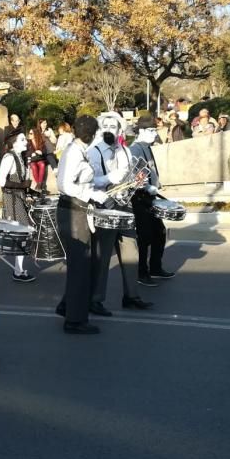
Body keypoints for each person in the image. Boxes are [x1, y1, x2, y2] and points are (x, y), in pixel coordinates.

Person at [88, 118, 152, 313]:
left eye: (113, 127)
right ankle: (95, 300)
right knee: (103, 255)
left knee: (131, 251)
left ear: (119, 131)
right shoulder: (94, 151)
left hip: (125, 206)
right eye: (105, 126)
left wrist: (139, 181)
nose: (109, 130)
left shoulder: (124, 151)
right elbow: (88, 180)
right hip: (104, 206)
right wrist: (108, 179)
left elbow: (130, 175)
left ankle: (131, 296)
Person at [55, 116, 109, 334]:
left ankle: (68, 306)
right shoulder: (73, 152)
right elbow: (64, 184)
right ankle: (74, 321)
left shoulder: (79, 150)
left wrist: (106, 181)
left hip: (79, 208)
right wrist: (90, 193)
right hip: (72, 209)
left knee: (87, 261)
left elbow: (84, 179)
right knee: (80, 265)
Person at [128, 116, 174, 285]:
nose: (154, 133)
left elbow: (149, 170)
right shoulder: (135, 149)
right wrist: (147, 187)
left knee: (159, 233)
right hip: (140, 198)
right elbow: (135, 176)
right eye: (151, 130)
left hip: (150, 196)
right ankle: (141, 273)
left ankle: (155, 267)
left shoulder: (146, 147)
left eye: (155, 130)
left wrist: (155, 183)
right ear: (140, 131)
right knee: (145, 236)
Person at [0, 126, 35, 283]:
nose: (26, 141)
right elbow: (0, 181)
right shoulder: (9, 157)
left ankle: (19, 270)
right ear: (14, 143)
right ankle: (18, 271)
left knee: (21, 234)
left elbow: (22, 183)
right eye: (22, 139)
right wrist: (23, 186)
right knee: (20, 233)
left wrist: (32, 191)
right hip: (12, 200)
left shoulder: (20, 157)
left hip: (19, 198)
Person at [27, 123, 52, 192]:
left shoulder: (40, 142)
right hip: (32, 160)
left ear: (35, 134)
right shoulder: (28, 143)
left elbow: (45, 151)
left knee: (42, 164)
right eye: (29, 133)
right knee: (33, 166)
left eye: (31, 133)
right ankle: (40, 185)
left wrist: (41, 152)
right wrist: (32, 153)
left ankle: (39, 185)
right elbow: (26, 153)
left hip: (40, 158)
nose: (29, 134)